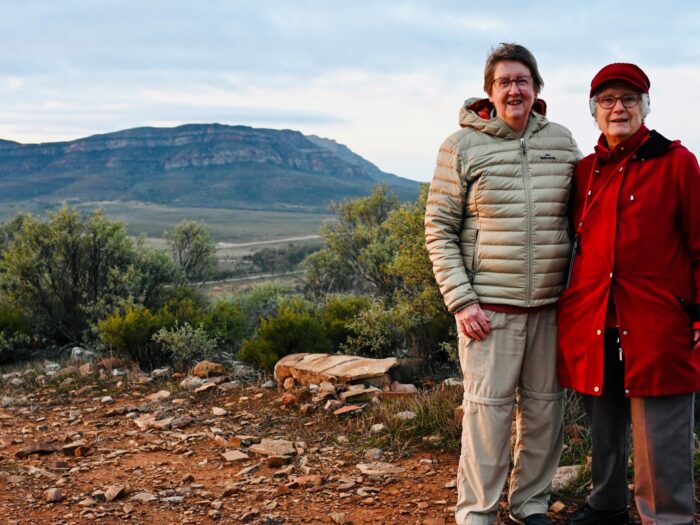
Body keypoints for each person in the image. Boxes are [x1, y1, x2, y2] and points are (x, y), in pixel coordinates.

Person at [425, 43, 580, 525]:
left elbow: (582, 215)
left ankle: (530, 504)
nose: (515, 89)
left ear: (537, 87)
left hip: (552, 308)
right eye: (504, 81)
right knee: (487, 417)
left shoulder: (561, 140)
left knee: (545, 415)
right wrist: (462, 300)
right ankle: (477, 512)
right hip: (488, 311)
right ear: (489, 91)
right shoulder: (461, 146)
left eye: (523, 81)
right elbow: (439, 227)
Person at [557, 63, 700, 525]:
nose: (618, 108)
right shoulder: (584, 172)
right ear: (594, 110)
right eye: (607, 100)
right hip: (596, 319)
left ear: (645, 105)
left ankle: (668, 518)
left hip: (659, 322)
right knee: (605, 425)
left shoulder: (678, 163)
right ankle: (607, 505)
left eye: (629, 99)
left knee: (660, 433)